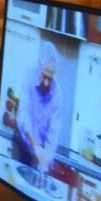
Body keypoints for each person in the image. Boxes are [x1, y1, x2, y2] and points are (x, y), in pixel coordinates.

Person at [10, 41, 64, 170]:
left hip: (39, 146)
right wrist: (34, 144)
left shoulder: (57, 93)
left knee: (37, 176)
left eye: (50, 78)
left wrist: (46, 159)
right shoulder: (29, 75)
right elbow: (24, 113)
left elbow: (54, 130)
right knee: (15, 174)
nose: (46, 83)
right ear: (39, 67)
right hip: (22, 139)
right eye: (44, 76)